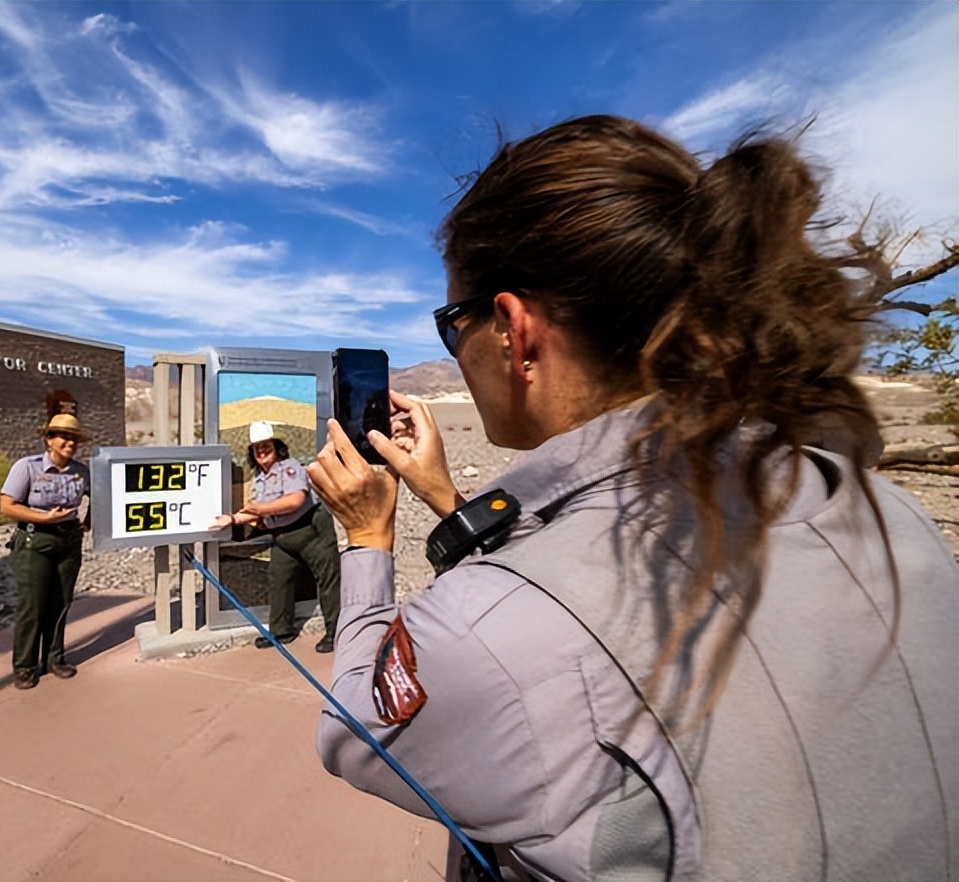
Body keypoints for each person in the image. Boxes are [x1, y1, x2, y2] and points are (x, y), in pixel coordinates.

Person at [306, 115, 958, 881]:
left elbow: (355, 731)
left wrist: (367, 538)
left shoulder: (495, 633)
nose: (457, 349)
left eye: (454, 325)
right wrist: (449, 498)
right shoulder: (881, 510)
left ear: (514, 332)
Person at [212, 421, 341, 652]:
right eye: (256, 448)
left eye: (266, 446)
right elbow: (254, 512)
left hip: (311, 530)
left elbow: (295, 501)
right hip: (283, 536)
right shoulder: (260, 480)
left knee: (328, 579)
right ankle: (281, 631)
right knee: (279, 579)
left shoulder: (290, 467)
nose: (261, 451)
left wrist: (260, 510)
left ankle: (335, 632)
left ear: (276, 446)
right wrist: (232, 520)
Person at [0, 412, 91, 690]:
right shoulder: (26, 467)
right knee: (33, 605)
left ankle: (54, 659)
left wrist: (87, 523)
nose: (70, 443)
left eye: (74, 438)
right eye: (63, 437)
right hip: (34, 542)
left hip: (68, 542)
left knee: (60, 602)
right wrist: (43, 518)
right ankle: (25, 666)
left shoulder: (81, 471)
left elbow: (98, 499)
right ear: (48, 439)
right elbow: (7, 506)